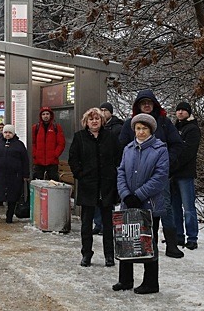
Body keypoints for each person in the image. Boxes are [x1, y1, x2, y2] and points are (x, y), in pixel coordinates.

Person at [119, 89, 185, 259]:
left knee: (165, 208)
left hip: (158, 177)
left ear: (154, 104)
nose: (146, 105)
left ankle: (171, 244)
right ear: (138, 105)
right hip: (135, 176)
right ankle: (136, 247)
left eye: (149, 102)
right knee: (135, 212)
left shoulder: (164, 122)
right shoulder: (129, 124)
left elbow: (177, 144)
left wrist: (165, 163)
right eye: (143, 102)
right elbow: (123, 147)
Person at [113, 113, 168, 294]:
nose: (141, 132)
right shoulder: (128, 148)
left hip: (149, 204)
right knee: (126, 239)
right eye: (138, 128)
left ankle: (151, 282)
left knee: (147, 242)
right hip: (129, 203)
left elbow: (160, 177)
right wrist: (126, 194)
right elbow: (121, 172)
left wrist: (139, 194)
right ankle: (125, 280)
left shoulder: (160, 149)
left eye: (144, 128)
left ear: (151, 130)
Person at [68, 108, 122, 267]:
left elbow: (119, 157)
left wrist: (114, 173)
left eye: (97, 118)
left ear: (102, 120)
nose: (94, 121)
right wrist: (80, 174)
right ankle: (86, 254)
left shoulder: (111, 137)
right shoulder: (80, 137)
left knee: (107, 224)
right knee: (86, 224)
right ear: (86, 122)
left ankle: (109, 255)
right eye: (91, 119)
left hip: (106, 185)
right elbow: (73, 158)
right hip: (88, 185)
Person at [171, 102, 201, 250]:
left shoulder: (193, 129)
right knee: (175, 206)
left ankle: (192, 237)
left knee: (188, 207)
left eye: (183, 110)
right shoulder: (175, 128)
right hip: (173, 174)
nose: (180, 112)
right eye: (178, 110)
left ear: (188, 112)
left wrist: (173, 164)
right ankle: (178, 236)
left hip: (185, 174)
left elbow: (188, 152)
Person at [0, 124, 30, 224]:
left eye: (10, 133)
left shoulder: (19, 145)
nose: (7, 134)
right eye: (6, 132)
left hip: (14, 175)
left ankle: (9, 217)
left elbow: (25, 160)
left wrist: (25, 174)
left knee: (12, 198)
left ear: (13, 134)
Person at [92, 102, 125, 235]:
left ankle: (107, 224)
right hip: (96, 168)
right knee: (95, 197)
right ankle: (98, 223)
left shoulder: (118, 128)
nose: (103, 112)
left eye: (105, 110)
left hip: (109, 168)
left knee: (107, 199)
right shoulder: (97, 127)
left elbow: (119, 148)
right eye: (101, 110)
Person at [32, 106, 66, 181]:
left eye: (47, 114)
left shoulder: (56, 127)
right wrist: (35, 154)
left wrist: (55, 154)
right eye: (43, 114)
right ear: (41, 116)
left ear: (50, 115)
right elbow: (32, 143)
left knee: (53, 184)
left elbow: (61, 143)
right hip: (38, 162)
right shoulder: (36, 128)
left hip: (52, 162)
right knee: (37, 184)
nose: (45, 116)